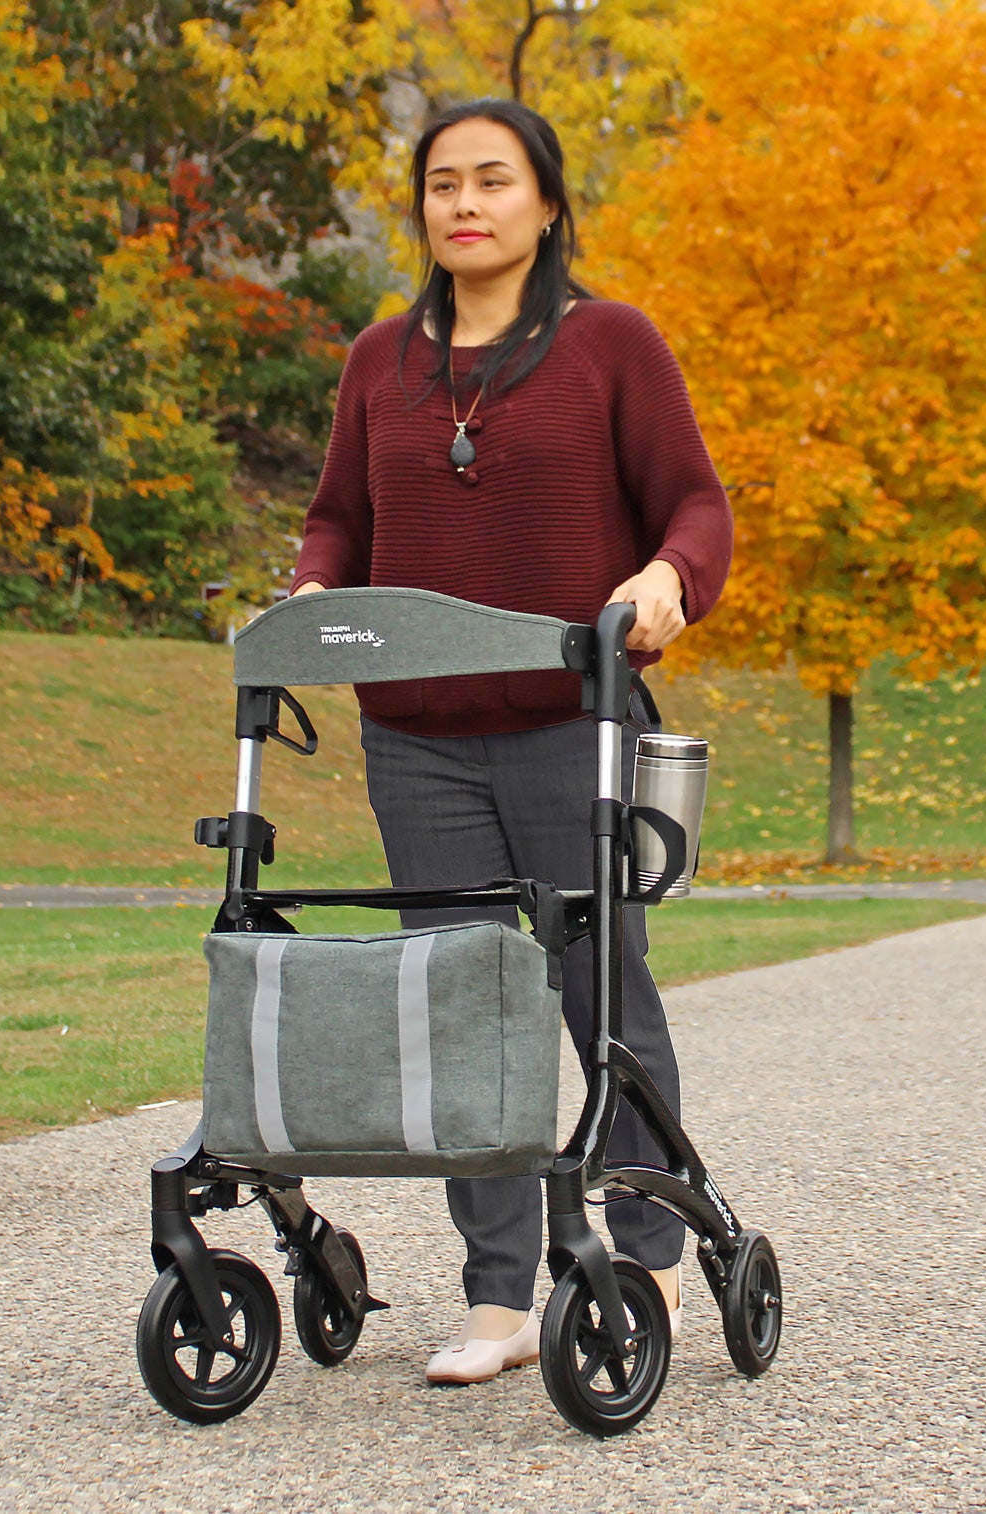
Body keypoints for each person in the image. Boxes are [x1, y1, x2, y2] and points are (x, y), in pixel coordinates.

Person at [290, 98, 733, 1386]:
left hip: (568, 722)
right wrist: (316, 592)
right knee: (465, 1010)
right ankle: (497, 1297)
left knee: (605, 992)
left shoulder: (610, 344)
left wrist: (666, 581)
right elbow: (338, 523)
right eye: (441, 184)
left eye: (493, 181)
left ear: (546, 204)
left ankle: (643, 1254)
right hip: (417, 739)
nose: (464, 204)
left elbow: (696, 502)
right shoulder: (381, 359)